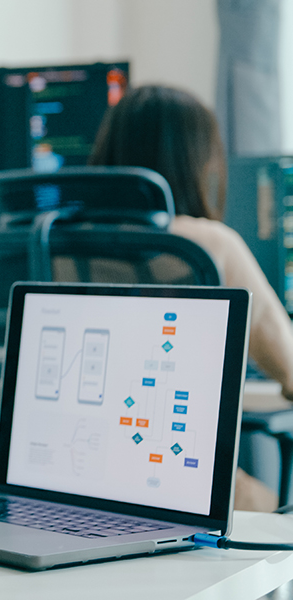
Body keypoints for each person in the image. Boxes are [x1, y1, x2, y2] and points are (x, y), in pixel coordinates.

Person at [90, 84, 291, 511]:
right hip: (176, 483)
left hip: (78, 479)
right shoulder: (209, 244)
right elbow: (289, 364)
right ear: (198, 161)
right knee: (275, 506)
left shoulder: (56, 243)